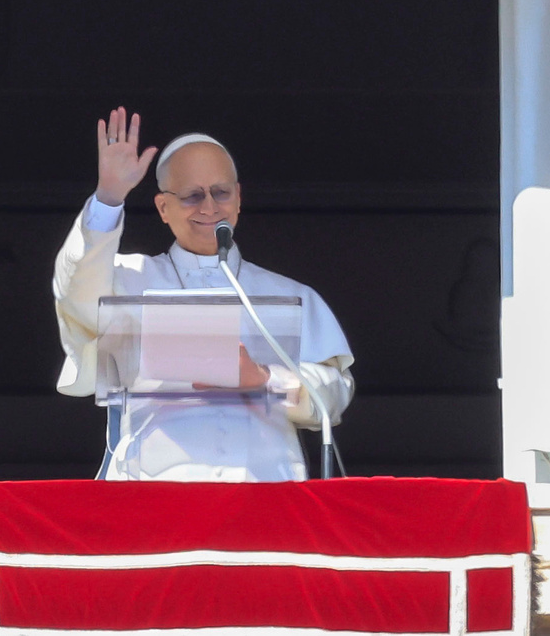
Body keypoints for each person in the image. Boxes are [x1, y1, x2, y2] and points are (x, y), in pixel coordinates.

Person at [54, 107, 354, 482]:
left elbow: (336, 395)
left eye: (220, 193)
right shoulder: (128, 280)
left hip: (265, 493)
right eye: (192, 196)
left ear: (239, 198)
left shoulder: (290, 295)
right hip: (153, 493)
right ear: (163, 208)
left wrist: (264, 378)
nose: (210, 207)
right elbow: (74, 294)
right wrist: (108, 198)